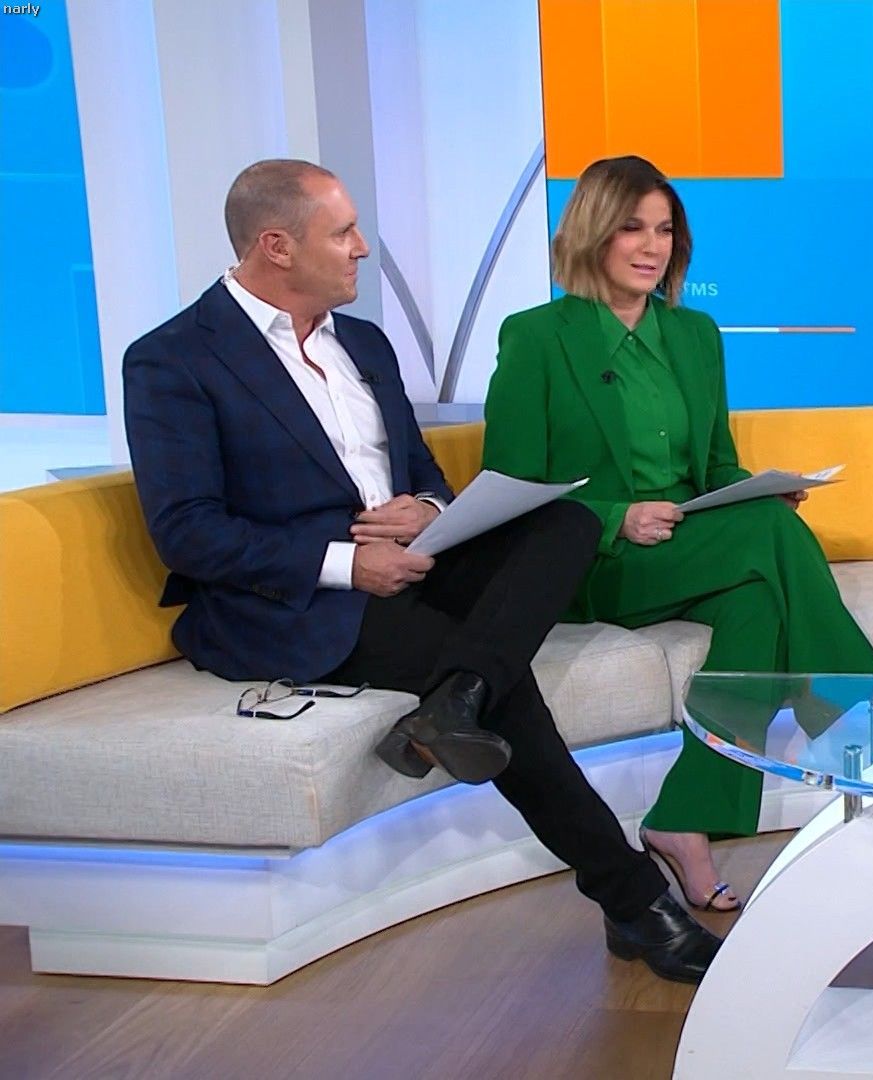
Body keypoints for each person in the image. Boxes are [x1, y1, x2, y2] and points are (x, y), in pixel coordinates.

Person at [123, 158, 720, 982]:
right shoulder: (174, 359)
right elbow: (187, 532)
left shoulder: (363, 343)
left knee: (569, 522)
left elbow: (422, 474)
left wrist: (430, 511)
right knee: (504, 684)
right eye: (343, 233)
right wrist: (349, 563)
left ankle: (454, 701)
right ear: (276, 246)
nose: (362, 248)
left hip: (414, 559)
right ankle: (637, 903)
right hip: (301, 599)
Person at [483, 155, 873, 912]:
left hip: (690, 544)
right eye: (632, 228)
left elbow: (715, 468)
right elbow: (511, 493)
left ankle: (684, 818)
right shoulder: (536, 337)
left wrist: (755, 492)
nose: (652, 246)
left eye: (665, 230)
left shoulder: (696, 335)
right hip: (600, 560)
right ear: (593, 233)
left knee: (758, 603)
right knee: (766, 542)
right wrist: (616, 517)